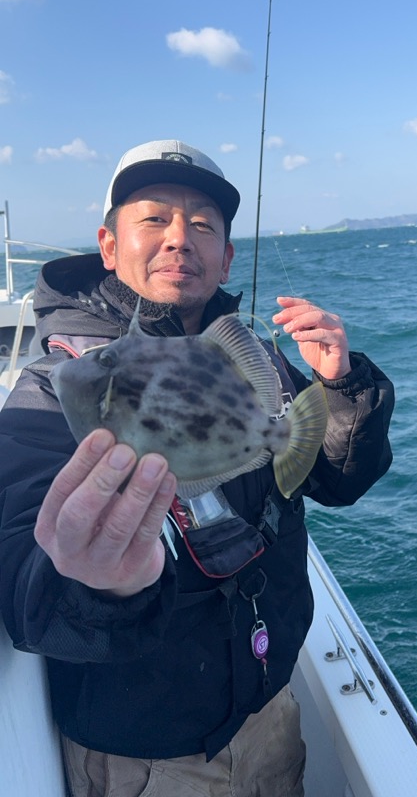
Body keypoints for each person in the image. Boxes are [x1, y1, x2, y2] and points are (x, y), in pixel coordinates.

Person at [0, 139, 394, 796]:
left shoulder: (254, 359)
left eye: (203, 225)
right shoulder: (48, 391)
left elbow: (333, 479)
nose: (180, 238)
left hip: (270, 714)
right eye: (154, 218)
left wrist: (341, 389)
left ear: (226, 257)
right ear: (108, 245)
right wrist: (96, 584)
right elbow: (22, 581)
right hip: (147, 761)